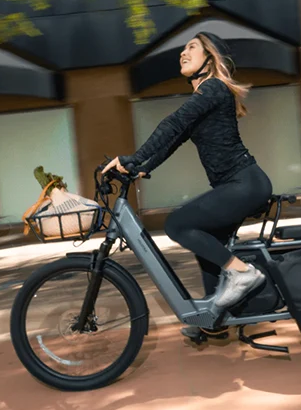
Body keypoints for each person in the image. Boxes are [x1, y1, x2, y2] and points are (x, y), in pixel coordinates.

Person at [102, 31, 273, 338]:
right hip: (237, 184)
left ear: (210, 58)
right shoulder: (206, 96)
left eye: (192, 47)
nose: (183, 52)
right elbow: (176, 140)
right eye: (183, 48)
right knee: (206, 243)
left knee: (179, 225)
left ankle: (243, 273)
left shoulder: (214, 89)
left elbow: (173, 124)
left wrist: (132, 158)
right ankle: (213, 318)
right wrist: (142, 167)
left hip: (244, 183)